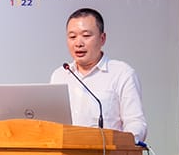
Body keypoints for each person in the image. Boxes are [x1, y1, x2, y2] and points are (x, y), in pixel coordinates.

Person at [50, 8, 147, 143]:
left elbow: (136, 123)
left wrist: (124, 144)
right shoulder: (60, 75)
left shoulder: (122, 74)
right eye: (72, 37)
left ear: (102, 39)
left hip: (107, 154)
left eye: (86, 36)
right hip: (66, 154)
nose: (78, 43)